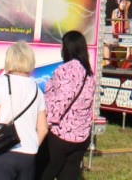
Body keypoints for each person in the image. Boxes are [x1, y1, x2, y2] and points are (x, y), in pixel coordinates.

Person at [0, 41, 47, 180]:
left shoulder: (0, 82)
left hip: (1, 152)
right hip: (28, 155)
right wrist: (32, 146)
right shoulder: (36, 89)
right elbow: (43, 129)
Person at [40, 31, 96, 180]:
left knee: (44, 173)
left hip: (61, 135)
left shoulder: (64, 71)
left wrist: (44, 125)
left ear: (67, 48)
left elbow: (58, 103)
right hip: (81, 136)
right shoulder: (89, 74)